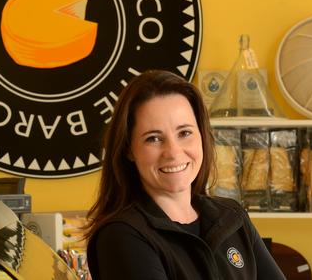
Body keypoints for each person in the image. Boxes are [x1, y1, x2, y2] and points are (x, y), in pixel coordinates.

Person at [85, 70, 285, 279]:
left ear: (202, 136)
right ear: (128, 149)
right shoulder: (122, 236)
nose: (173, 152)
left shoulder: (232, 217)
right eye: (153, 138)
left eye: (184, 133)